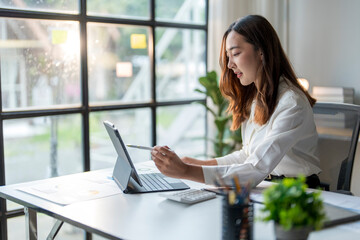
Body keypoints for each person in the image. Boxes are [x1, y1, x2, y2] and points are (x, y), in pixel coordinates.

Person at [151, 14, 321, 188]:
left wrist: (186, 171)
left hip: (298, 192)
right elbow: (247, 156)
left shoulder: (291, 103)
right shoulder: (257, 98)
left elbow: (255, 168)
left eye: (236, 53)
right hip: (268, 187)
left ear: (261, 51)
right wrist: (195, 163)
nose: (230, 64)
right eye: (228, 56)